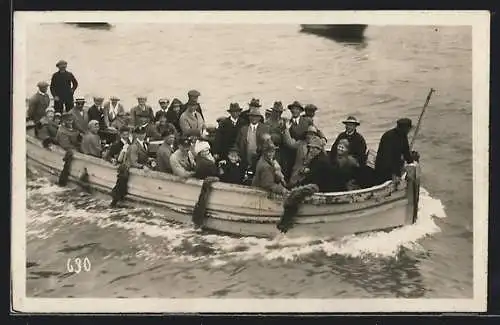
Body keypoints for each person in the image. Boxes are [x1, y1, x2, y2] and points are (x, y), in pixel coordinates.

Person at [375, 118, 418, 183]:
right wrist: (394, 174)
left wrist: (411, 162)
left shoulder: (403, 135)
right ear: (405, 129)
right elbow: (387, 157)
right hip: (383, 168)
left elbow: (406, 152)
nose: (409, 131)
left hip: (395, 165)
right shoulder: (389, 137)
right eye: (408, 129)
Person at [235, 106, 270, 173]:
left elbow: (268, 144)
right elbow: (237, 143)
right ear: (249, 117)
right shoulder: (243, 129)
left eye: (256, 116)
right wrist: (235, 153)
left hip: (260, 159)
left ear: (259, 118)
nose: (254, 118)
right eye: (252, 116)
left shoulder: (265, 128)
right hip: (245, 158)